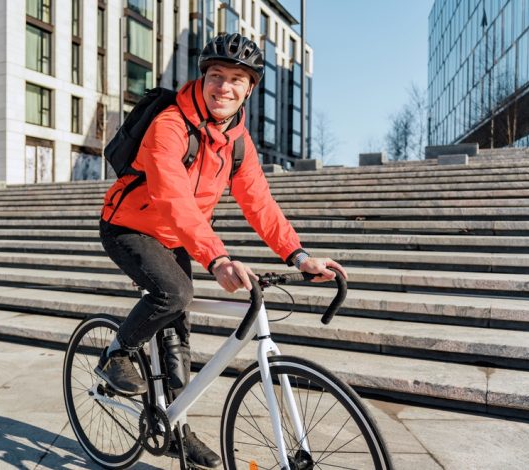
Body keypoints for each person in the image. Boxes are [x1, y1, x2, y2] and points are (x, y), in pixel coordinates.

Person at [95, 33, 348, 468]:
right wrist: (216, 257)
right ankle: (115, 353)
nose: (224, 87)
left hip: (177, 236)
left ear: (250, 89)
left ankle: (177, 431)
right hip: (128, 226)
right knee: (173, 294)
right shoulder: (170, 125)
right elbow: (172, 196)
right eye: (216, 76)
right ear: (204, 77)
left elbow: (260, 204)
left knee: (178, 337)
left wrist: (300, 256)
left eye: (236, 79)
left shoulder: (238, 142)